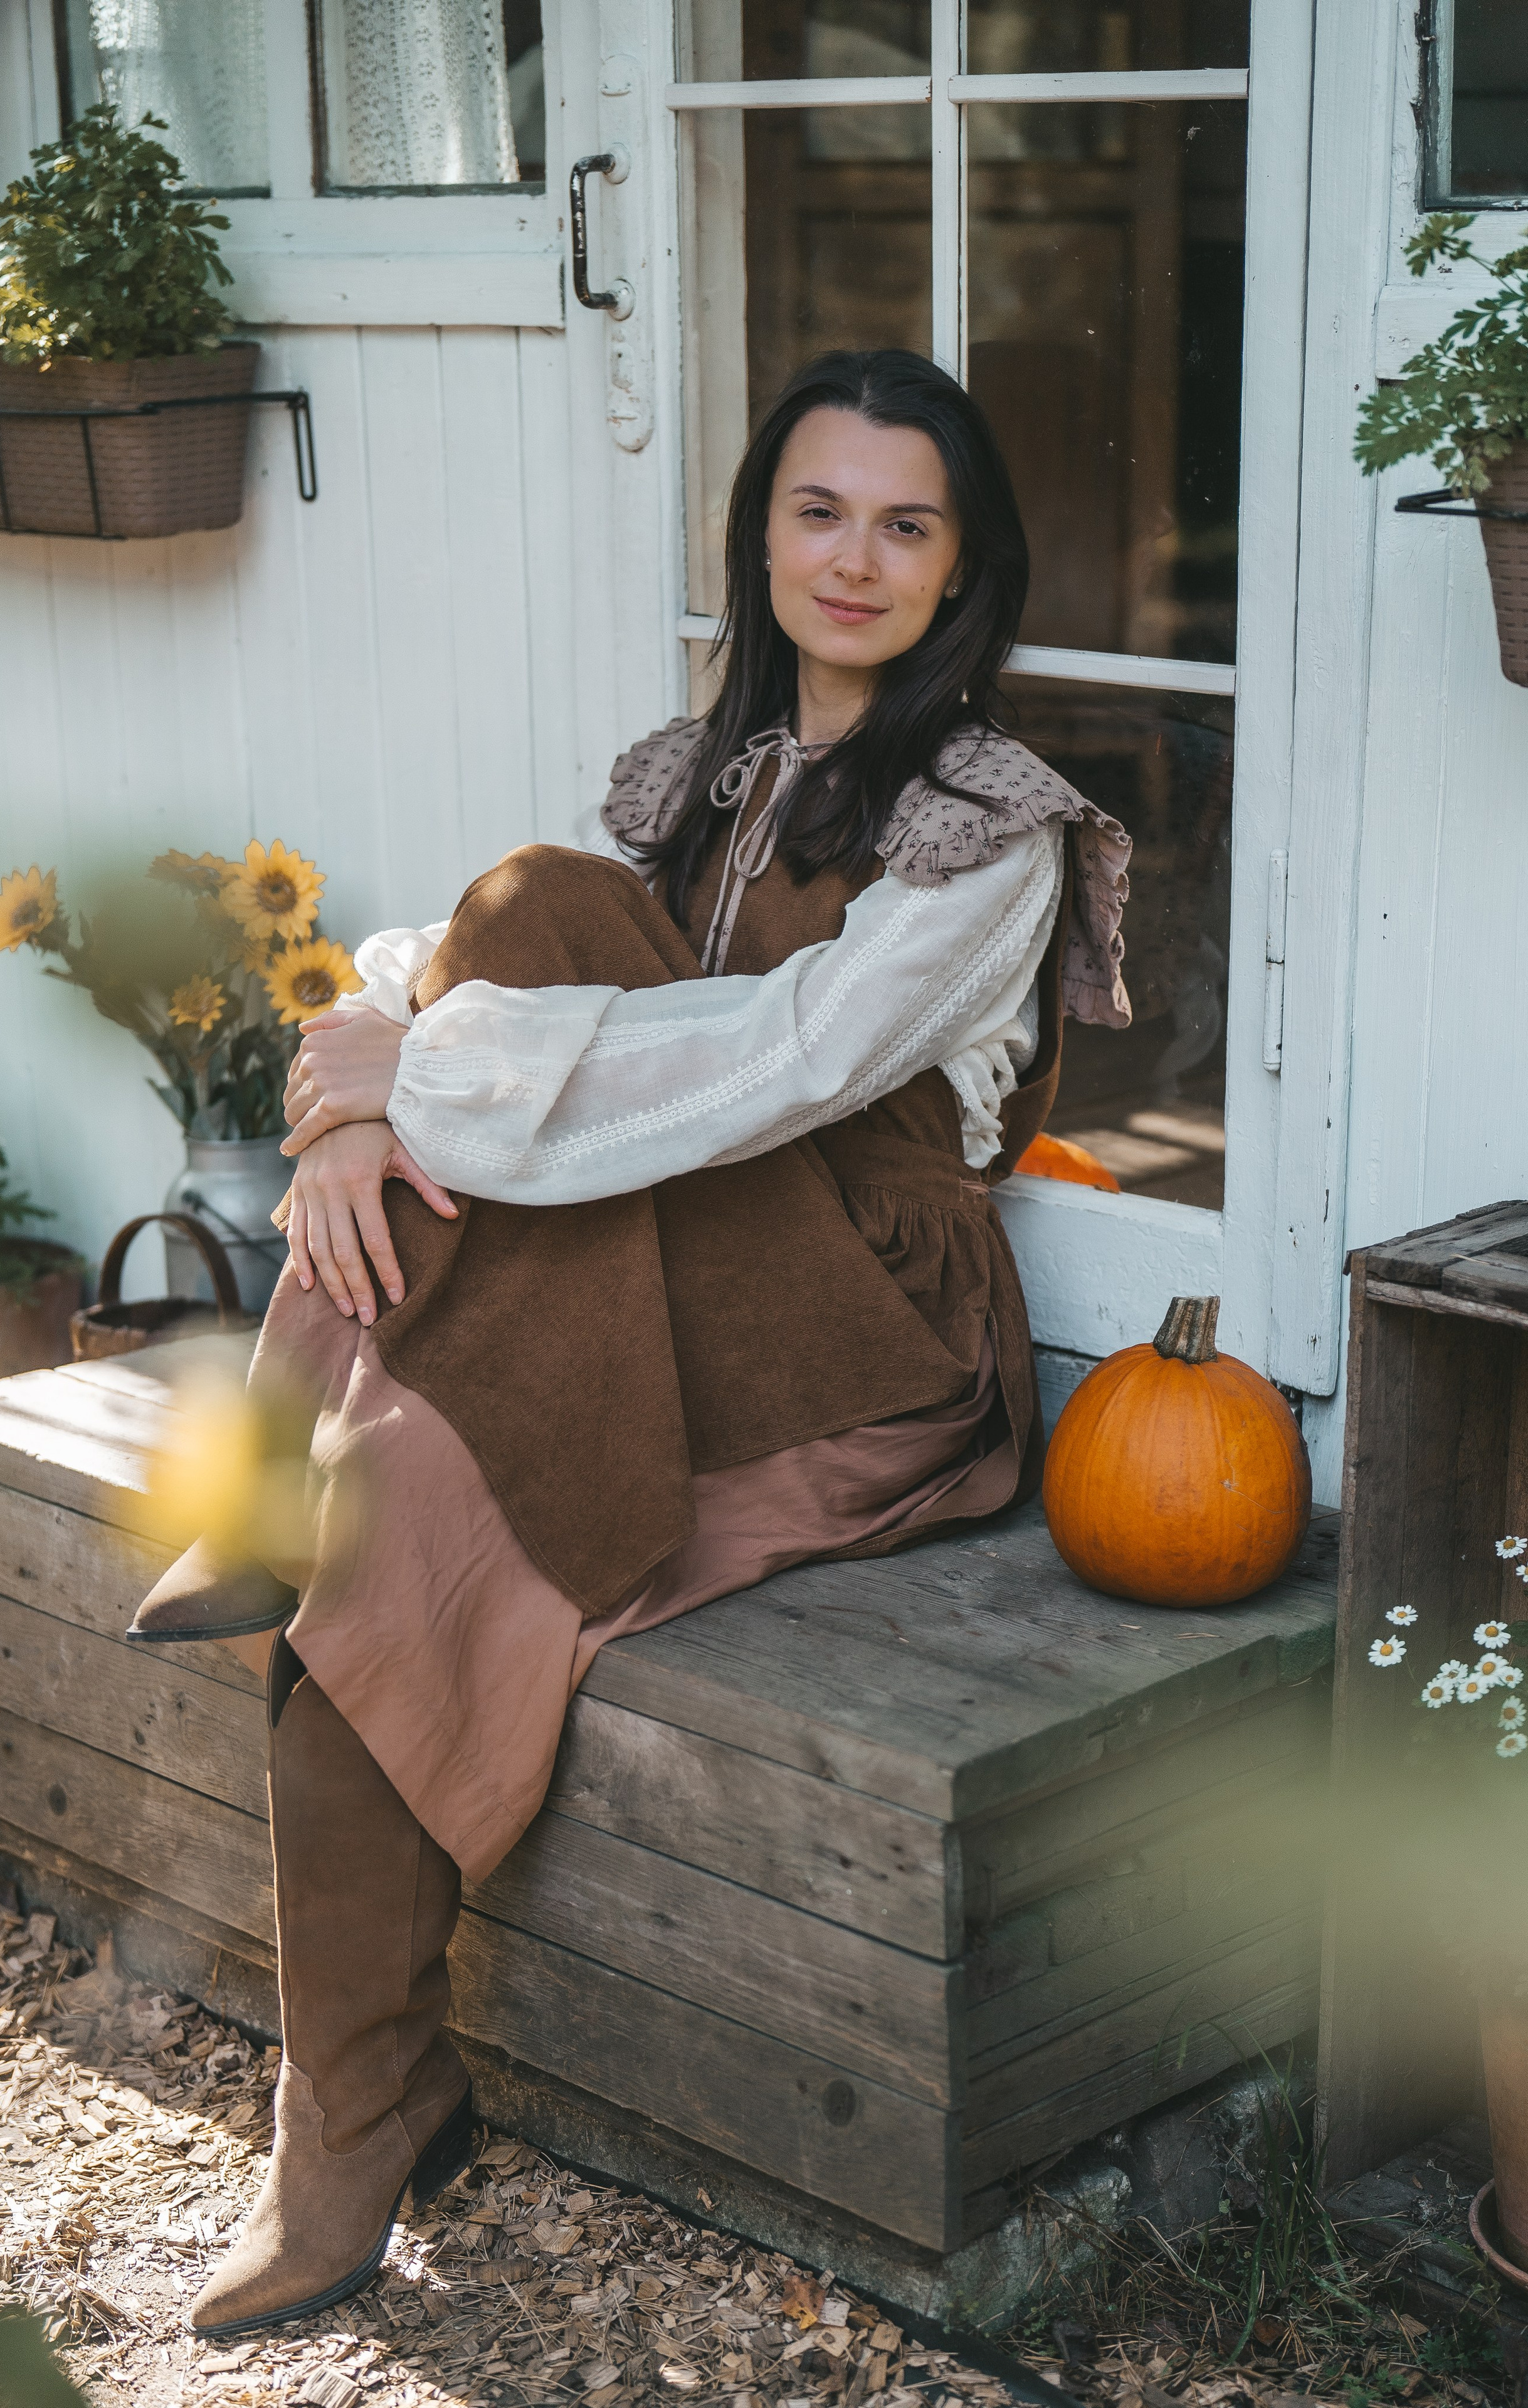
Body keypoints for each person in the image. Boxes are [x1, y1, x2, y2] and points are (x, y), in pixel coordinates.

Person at [132, 348, 1132, 2337]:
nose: (854, 559)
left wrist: (417, 1080)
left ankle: (354, 2119)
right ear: (761, 535)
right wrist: (356, 1097)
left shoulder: (989, 830)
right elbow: (449, 959)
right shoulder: (707, 777)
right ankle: (356, 2094)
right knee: (536, 904)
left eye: (905, 525)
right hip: (665, 1242)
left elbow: (778, 1063)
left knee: (398, 1489)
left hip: (866, 1317)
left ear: (965, 569)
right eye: (817, 511)